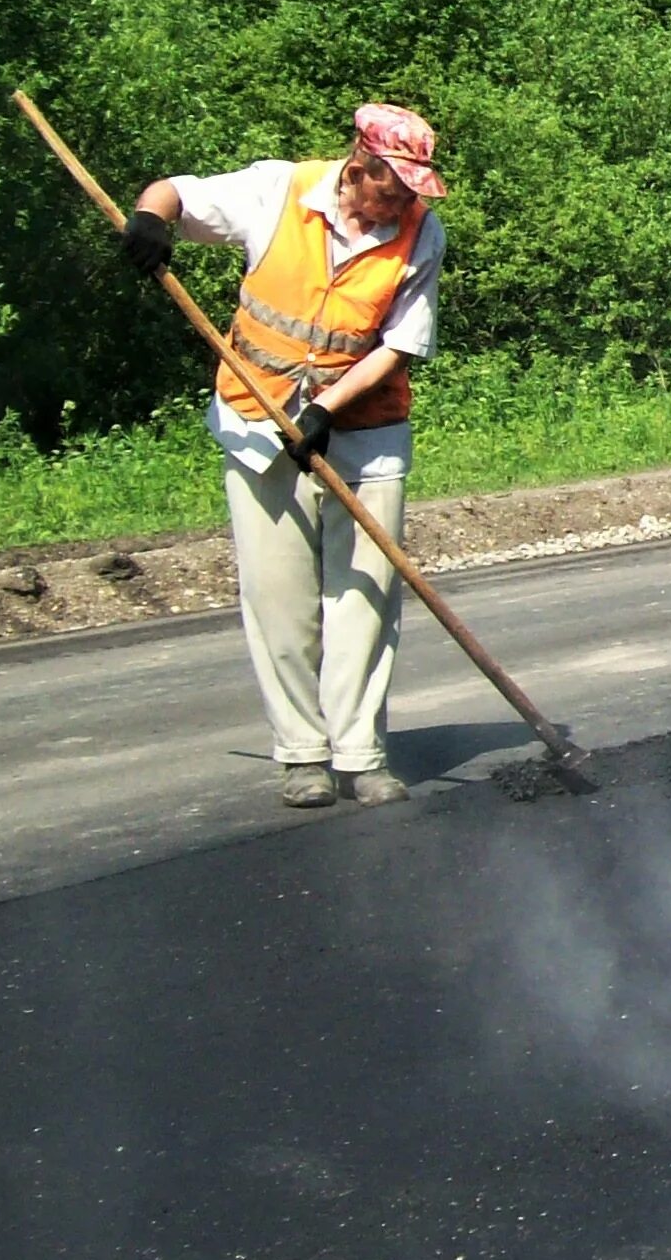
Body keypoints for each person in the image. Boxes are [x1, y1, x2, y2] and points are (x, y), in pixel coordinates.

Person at [119, 106, 449, 809]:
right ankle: (304, 754)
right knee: (280, 597)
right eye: (394, 187)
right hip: (257, 419)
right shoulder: (278, 191)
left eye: (415, 190)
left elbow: (399, 344)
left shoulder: (423, 233)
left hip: (365, 428)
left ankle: (361, 754)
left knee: (363, 595)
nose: (404, 202)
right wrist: (148, 221)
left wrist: (328, 410)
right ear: (359, 168)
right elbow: (171, 192)